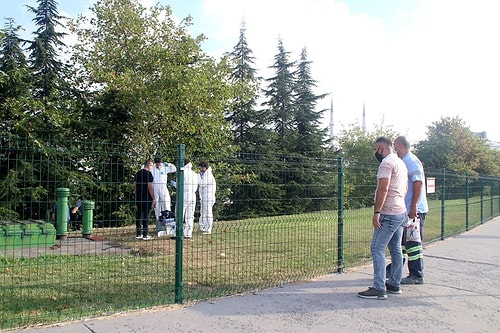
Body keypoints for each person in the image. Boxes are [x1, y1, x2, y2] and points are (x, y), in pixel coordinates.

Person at [358, 136, 408, 300]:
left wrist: (377, 212)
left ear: (381, 148)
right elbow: (405, 187)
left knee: (377, 248)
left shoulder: (386, 163)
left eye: (375, 149)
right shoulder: (400, 162)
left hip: (389, 213)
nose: (375, 152)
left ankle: (379, 287)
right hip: (401, 211)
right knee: (396, 249)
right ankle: (394, 283)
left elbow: (383, 189)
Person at [394, 135, 428, 285]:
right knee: (402, 242)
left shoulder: (410, 161)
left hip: (414, 210)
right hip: (407, 209)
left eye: (395, 146)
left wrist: (414, 206)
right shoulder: (405, 161)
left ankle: (416, 274)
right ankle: (395, 269)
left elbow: (418, 183)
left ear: (399, 145)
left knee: (413, 243)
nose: (394, 149)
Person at [135, 160, 156, 240]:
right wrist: (153, 198)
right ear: (149, 165)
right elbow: (150, 187)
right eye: (152, 166)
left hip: (139, 197)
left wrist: (137, 195)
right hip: (146, 197)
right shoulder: (149, 174)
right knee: (146, 215)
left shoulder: (138, 173)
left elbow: (135, 186)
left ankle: (138, 233)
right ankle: (145, 234)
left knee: (139, 214)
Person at [181, 159, 199, 239]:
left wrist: (173, 183)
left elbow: (179, 185)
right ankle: (188, 233)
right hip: (193, 195)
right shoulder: (194, 174)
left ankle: (178, 232)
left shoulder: (182, 173)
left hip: (184, 194)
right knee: (190, 215)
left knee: (180, 214)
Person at [198, 161, 216, 235]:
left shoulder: (208, 175)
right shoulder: (205, 174)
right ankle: (203, 227)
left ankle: (209, 229)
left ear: (204, 168)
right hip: (204, 197)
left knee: (208, 213)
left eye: (200, 168)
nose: (200, 169)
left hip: (208, 197)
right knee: (203, 212)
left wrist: (198, 176)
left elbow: (202, 184)